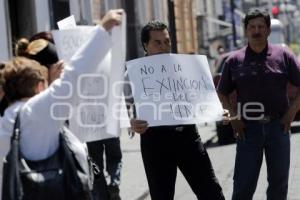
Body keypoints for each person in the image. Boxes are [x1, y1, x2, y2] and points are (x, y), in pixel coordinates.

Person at [0, 9, 123, 198]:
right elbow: (75, 74)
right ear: (40, 86)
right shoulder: (36, 111)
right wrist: (103, 28)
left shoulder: (7, 119)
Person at [128, 20, 225, 200]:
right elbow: (120, 109)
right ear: (145, 45)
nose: (164, 47)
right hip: (155, 142)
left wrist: (217, 111)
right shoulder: (133, 73)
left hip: (187, 137)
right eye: (157, 43)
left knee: (212, 193)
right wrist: (131, 124)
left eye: (167, 41)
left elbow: (203, 98)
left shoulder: (186, 67)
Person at [217, 8, 300, 200]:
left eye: (261, 26)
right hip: (248, 130)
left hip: (278, 127)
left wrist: (291, 113)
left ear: (268, 30)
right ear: (246, 30)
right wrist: (234, 117)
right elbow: (222, 92)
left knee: (279, 186)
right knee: (243, 187)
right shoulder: (234, 60)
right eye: (252, 26)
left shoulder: (284, 55)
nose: (256, 30)